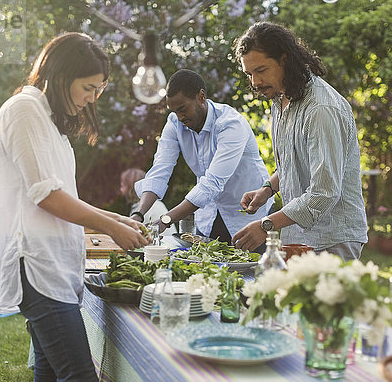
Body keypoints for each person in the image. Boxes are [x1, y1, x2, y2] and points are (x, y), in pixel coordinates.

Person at [0, 32, 149, 382]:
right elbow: (46, 197)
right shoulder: (23, 110)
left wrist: (116, 219)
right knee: (80, 379)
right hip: (36, 264)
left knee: (51, 373)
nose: (92, 99)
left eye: (98, 90)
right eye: (88, 87)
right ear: (60, 74)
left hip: (54, 264)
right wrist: (111, 228)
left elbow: (62, 194)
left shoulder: (49, 121)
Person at [231, 22, 368, 261]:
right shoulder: (281, 99)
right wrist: (268, 189)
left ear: (284, 59)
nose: (255, 82)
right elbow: (295, 161)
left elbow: (324, 193)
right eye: (249, 74)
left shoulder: (321, 108)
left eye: (261, 70)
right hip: (298, 237)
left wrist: (265, 225)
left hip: (333, 241)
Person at [131, 69, 272, 246]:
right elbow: (159, 171)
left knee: (250, 273)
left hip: (248, 219)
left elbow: (211, 183)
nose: (179, 117)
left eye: (183, 109)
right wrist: (138, 215)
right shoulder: (175, 124)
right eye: (174, 111)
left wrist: (165, 221)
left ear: (201, 97)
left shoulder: (230, 124)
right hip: (208, 219)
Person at [120, 168, 176, 236]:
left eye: (122, 186)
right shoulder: (156, 204)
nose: (121, 189)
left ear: (130, 187)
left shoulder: (147, 209)